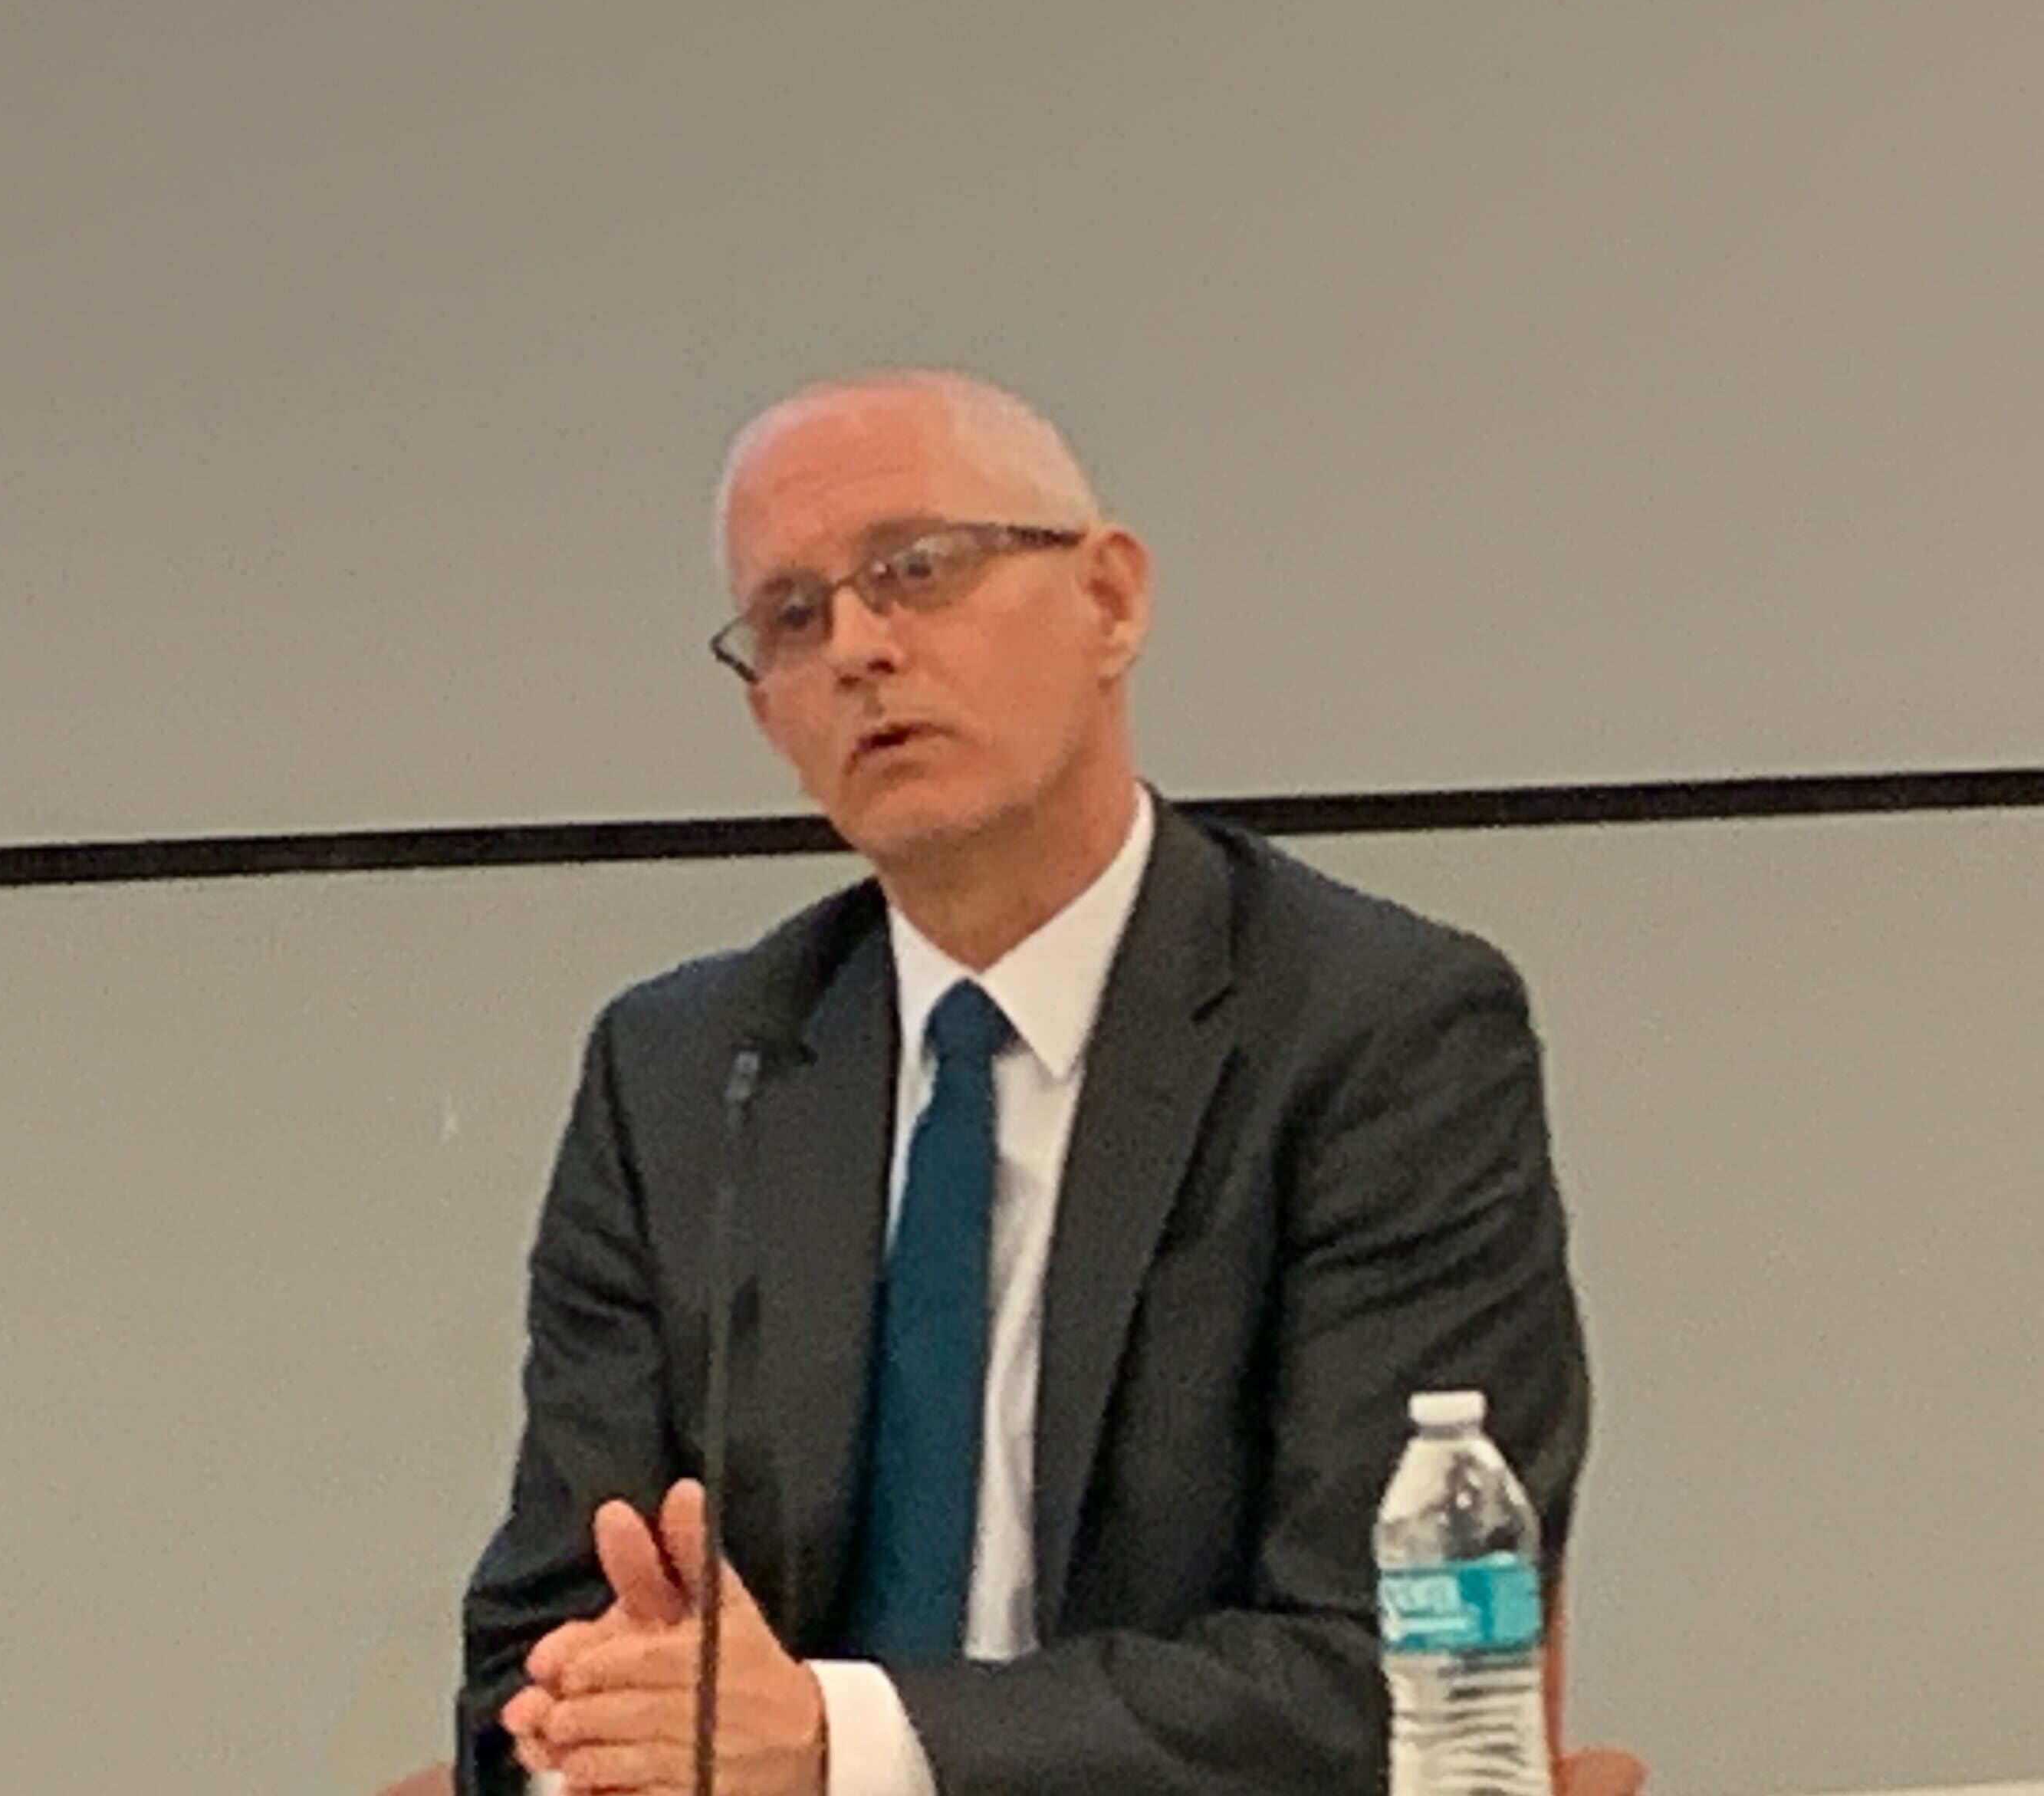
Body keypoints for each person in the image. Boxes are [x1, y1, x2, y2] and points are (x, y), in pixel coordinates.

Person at [455, 372, 1589, 1796]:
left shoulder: (1379, 1034)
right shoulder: (690, 1072)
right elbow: (531, 1649)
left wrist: (840, 1743)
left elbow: (1380, 1670)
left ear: (1109, 601)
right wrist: (600, 1725)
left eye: (918, 570)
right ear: (765, 714)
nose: (858, 648)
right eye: (791, 617)